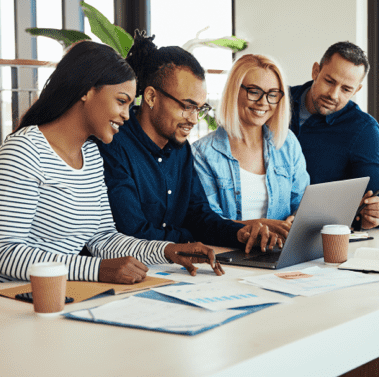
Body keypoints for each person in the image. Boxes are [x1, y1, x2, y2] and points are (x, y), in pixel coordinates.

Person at [0, 41, 223, 289]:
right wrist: (96, 269)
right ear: (87, 91)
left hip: (42, 294)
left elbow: (104, 238)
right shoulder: (24, 150)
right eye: (121, 101)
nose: (126, 114)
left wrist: (167, 250)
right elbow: (4, 253)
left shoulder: (90, 155)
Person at [97, 32, 278, 255]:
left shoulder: (181, 150)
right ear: (152, 97)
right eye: (187, 106)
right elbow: (133, 233)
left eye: (199, 109)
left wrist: (239, 233)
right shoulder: (113, 145)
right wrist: (189, 238)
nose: (193, 119)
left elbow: (199, 216)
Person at [192, 54, 310, 244]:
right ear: (234, 91)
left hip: (281, 252)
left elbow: (303, 203)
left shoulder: (287, 143)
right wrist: (261, 225)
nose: (264, 102)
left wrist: (295, 220)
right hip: (231, 254)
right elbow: (208, 222)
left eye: (272, 94)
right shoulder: (203, 153)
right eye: (254, 91)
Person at [289, 41, 379, 229]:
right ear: (315, 71)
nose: (334, 95)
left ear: (357, 90)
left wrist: (374, 215)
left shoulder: (364, 130)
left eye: (346, 89)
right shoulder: (276, 101)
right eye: (329, 81)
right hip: (259, 228)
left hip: (314, 235)